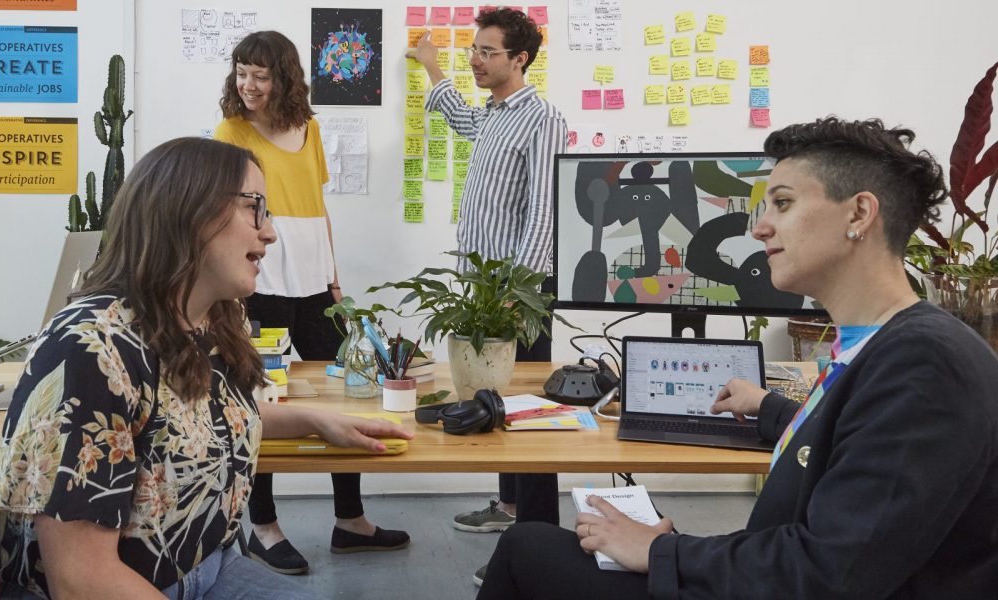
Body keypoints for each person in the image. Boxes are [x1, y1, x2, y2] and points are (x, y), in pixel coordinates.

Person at [477, 117, 998, 599]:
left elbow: (831, 573)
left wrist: (661, 552)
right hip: (779, 567)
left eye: (783, 203)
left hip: (793, 583)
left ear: (859, 214)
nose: (760, 227)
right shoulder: (885, 343)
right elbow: (858, 445)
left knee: (526, 548)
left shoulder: (925, 365)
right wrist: (770, 408)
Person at [0, 137, 415, 599]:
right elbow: (81, 581)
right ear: (189, 212)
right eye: (254, 207)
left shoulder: (210, 320)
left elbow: (199, 419)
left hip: (209, 567)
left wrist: (319, 421)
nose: (270, 233)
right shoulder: (91, 348)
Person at [214, 30, 410, 576]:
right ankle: (263, 527)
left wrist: (335, 281)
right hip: (261, 283)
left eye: (260, 75)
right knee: (260, 399)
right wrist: (234, 290)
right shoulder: (230, 132)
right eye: (241, 73)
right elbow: (225, 216)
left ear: (284, 78)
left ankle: (351, 520)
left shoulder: (310, 128)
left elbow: (318, 207)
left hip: (315, 283)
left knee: (349, 393)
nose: (248, 85)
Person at [408, 7, 567, 582]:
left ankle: (539, 543)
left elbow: (544, 212)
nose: (475, 59)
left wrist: (516, 291)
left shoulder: (541, 118)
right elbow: (458, 116)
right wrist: (431, 66)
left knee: (526, 407)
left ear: (519, 59)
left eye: (486, 51)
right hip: (485, 285)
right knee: (492, 398)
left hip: (519, 288)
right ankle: (510, 507)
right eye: (473, 50)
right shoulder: (494, 115)